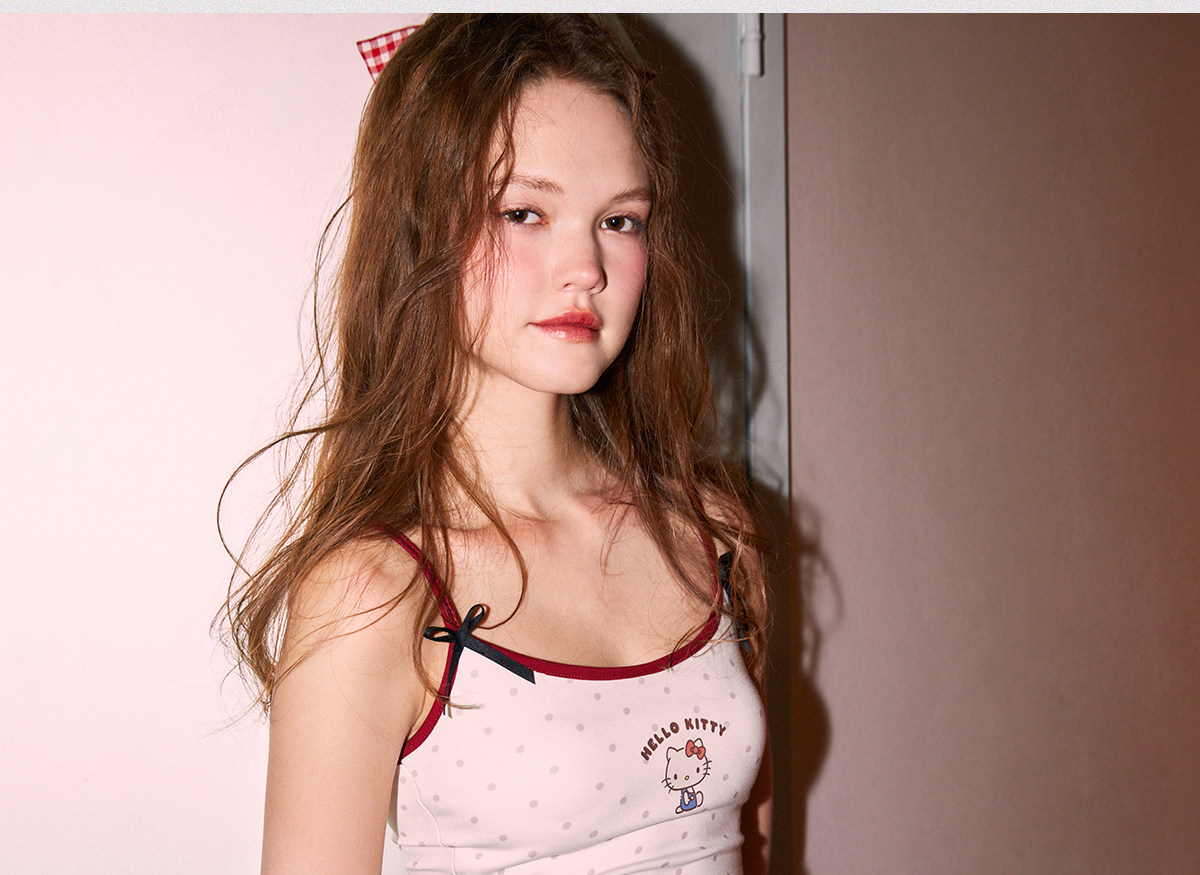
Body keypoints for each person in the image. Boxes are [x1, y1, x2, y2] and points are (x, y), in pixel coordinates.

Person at [220, 13, 771, 875]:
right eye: (524, 212)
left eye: (620, 220)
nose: (585, 267)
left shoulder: (711, 532)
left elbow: (756, 841)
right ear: (420, 231)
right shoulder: (376, 593)